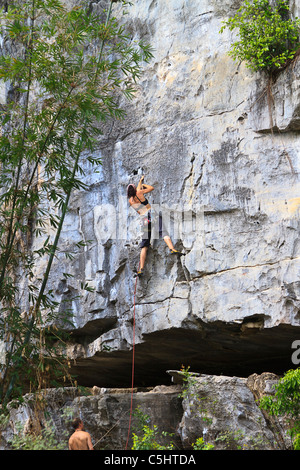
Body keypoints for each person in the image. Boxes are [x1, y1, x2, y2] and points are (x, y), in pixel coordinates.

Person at [127, 175, 183, 276]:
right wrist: (143, 184)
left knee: (144, 245)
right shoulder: (140, 192)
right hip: (151, 213)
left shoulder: (130, 201)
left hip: (144, 218)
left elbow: (137, 192)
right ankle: (172, 248)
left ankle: (141, 268)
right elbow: (151, 188)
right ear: (135, 189)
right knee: (162, 231)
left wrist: (140, 181)